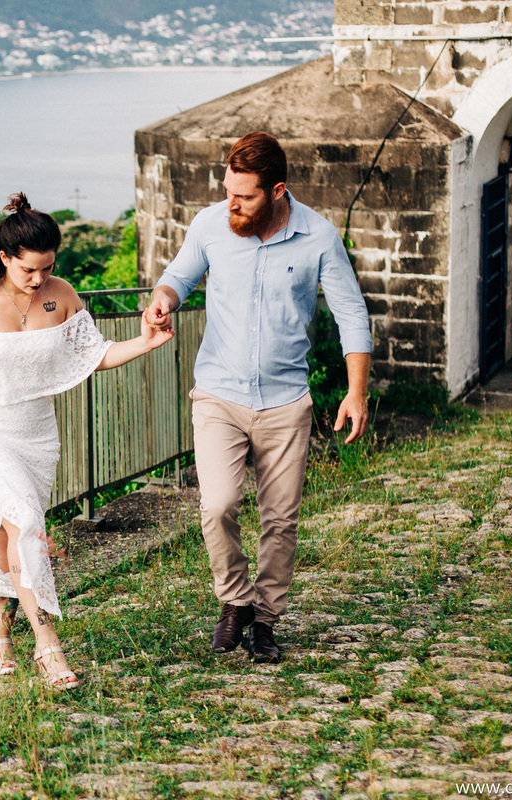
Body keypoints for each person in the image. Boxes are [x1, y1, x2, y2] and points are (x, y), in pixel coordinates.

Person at [0, 192, 173, 688]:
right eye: (28, 270)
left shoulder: (62, 295)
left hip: (36, 436)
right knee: (26, 523)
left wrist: (145, 342)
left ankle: (0, 631)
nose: (39, 280)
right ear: (4, 258)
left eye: (47, 268)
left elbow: (94, 354)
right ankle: (47, 645)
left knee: (7, 535)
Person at [144, 131, 372, 663]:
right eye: (228, 191)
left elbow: (351, 314)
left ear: (276, 191)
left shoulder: (319, 237)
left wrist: (356, 393)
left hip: (286, 401)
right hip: (218, 395)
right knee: (218, 505)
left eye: (244, 196)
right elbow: (178, 276)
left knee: (280, 519)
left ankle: (265, 620)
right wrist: (163, 300)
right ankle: (235, 601)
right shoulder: (210, 224)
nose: (232, 203)